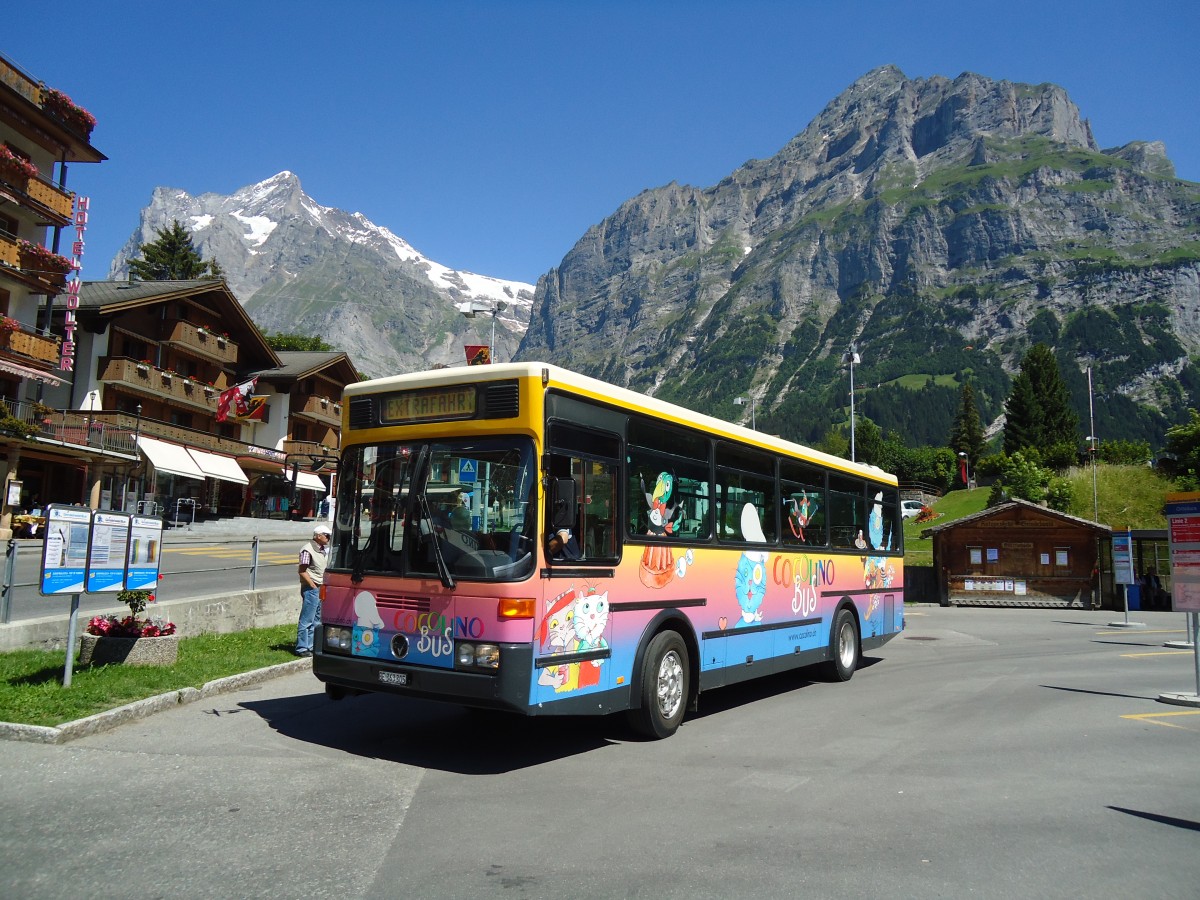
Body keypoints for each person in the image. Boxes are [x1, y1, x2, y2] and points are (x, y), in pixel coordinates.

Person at [295, 524, 331, 657]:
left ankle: (311, 646)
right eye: (326, 535)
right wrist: (312, 585)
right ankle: (302, 648)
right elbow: (302, 571)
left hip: (320, 587)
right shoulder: (308, 550)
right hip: (312, 588)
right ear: (318, 536)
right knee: (307, 619)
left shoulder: (322, 549)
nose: (328, 538)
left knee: (316, 619)